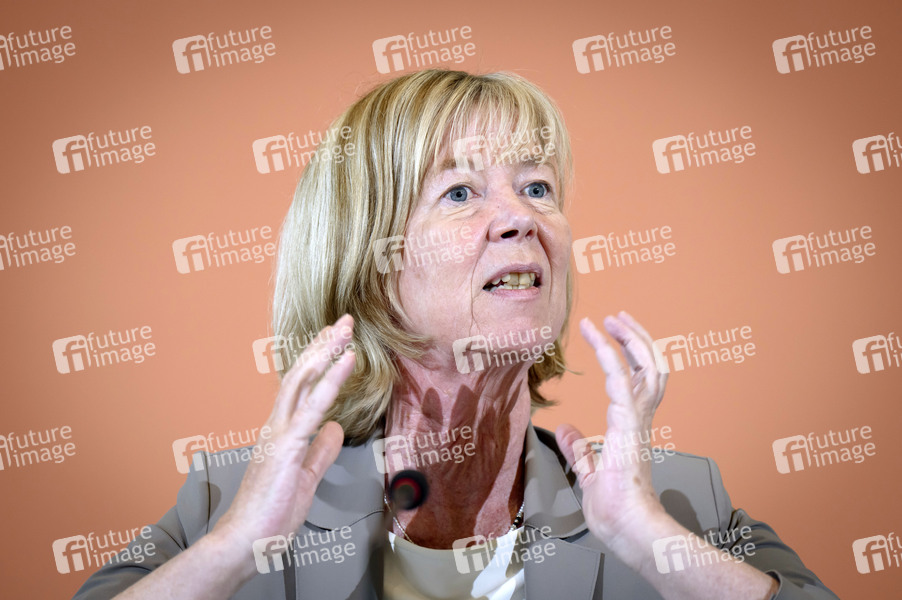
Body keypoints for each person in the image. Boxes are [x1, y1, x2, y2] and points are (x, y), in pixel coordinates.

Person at [72, 69, 839, 600]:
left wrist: (649, 542)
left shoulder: (682, 501)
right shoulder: (222, 504)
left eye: (537, 186)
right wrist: (237, 549)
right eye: (460, 192)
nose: (521, 218)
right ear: (368, 262)